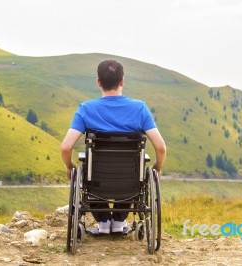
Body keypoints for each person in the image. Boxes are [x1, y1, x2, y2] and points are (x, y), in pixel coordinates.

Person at [61, 59, 166, 234]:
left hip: (96, 181)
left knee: (89, 172)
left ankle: (103, 222)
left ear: (99, 82)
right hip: (130, 181)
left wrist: (69, 166)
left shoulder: (86, 109)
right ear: (122, 81)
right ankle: (118, 221)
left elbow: (66, 147)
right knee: (130, 173)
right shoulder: (140, 109)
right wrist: (158, 167)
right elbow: (160, 147)